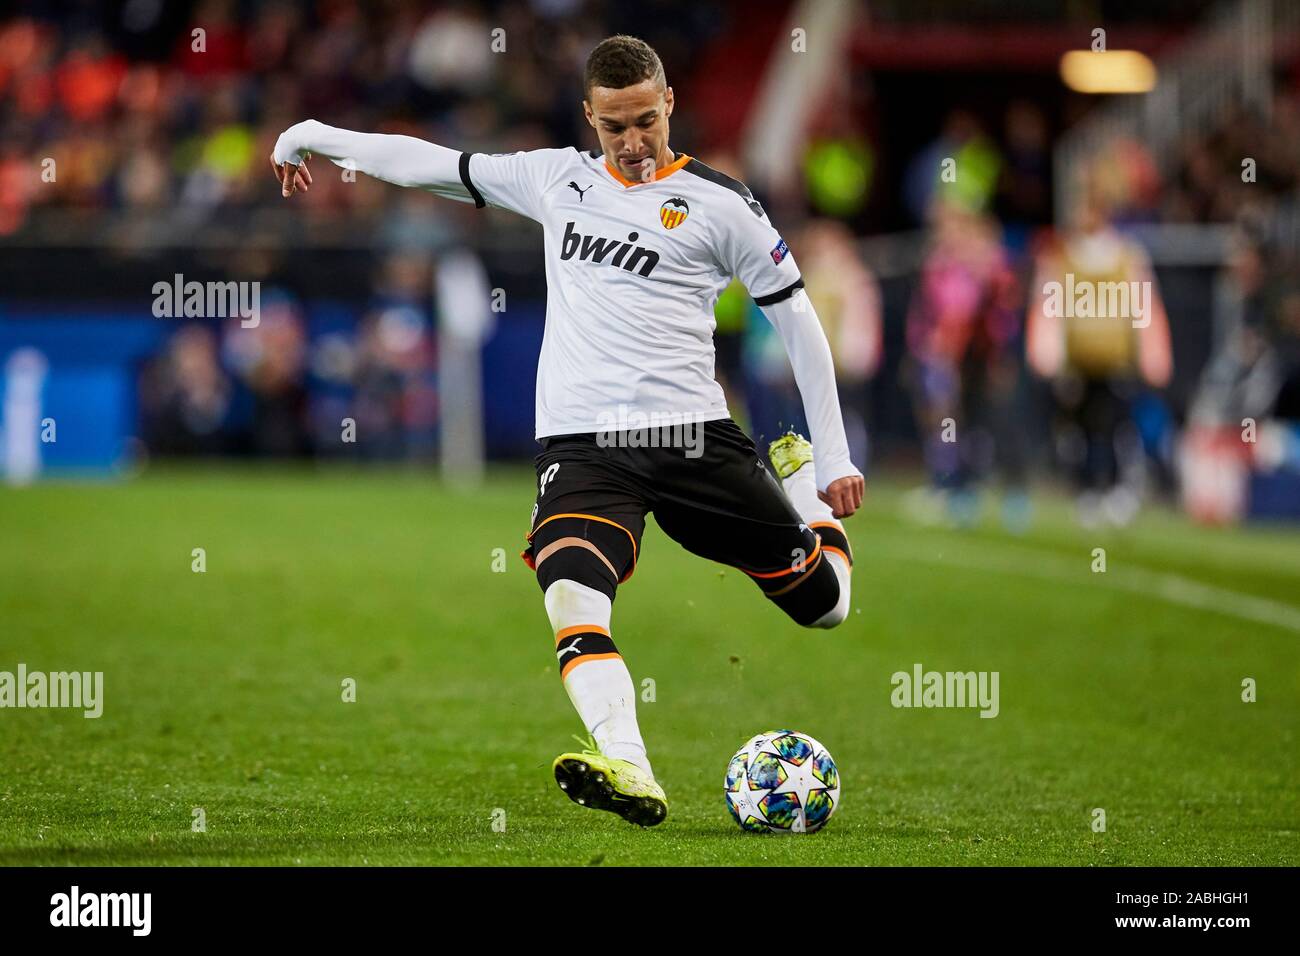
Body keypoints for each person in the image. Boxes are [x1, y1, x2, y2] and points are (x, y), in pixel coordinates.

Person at [270, 35, 863, 828]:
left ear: (669, 105)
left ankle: (796, 493)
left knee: (825, 606)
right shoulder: (556, 178)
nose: (632, 142)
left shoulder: (725, 206)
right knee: (572, 589)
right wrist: (312, 132)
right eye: (614, 127)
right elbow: (428, 163)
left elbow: (799, 324)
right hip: (584, 446)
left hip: (692, 438)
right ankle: (632, 766)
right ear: (589, 117)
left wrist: (831, 460)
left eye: (645, 122)